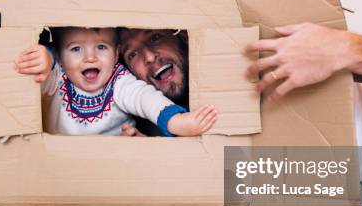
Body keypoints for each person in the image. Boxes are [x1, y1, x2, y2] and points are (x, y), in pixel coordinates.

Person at [118, 24, 362, 194]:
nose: (149, 57)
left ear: (179, 37)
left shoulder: (244, 47)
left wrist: (343, 49)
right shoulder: (160, 119)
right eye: (133, 54)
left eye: (154, 39)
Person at [14, 27, 217, 137]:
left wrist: (177, 122)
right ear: (60, 54)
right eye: (76, 49)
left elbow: (145, 98)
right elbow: (40, 78)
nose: (90, 58)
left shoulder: (119, 80)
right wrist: (45, 58)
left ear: (116, 54)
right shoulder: (58, 78)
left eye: (101, 47)